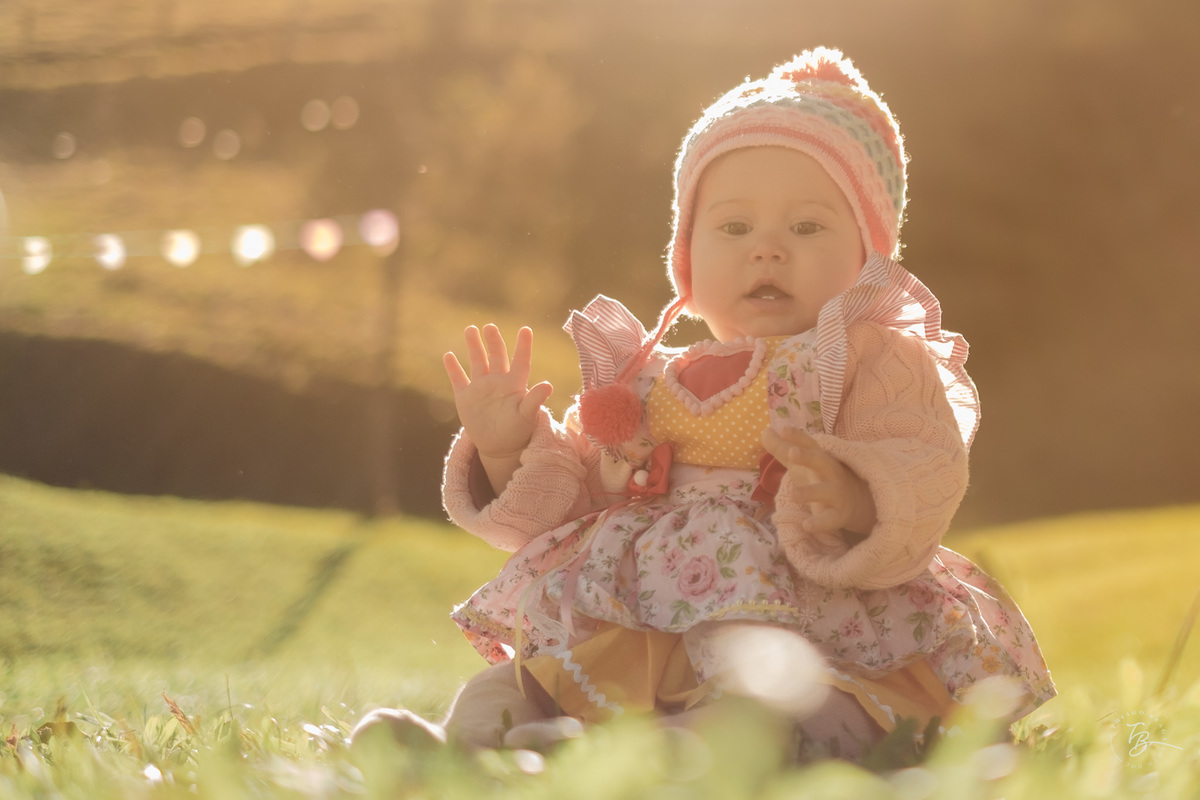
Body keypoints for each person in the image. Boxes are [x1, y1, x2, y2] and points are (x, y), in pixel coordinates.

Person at [355, 47, 1055, 761]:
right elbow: (567, 506)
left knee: (769, 704)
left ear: (867, 260)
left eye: (807, 228)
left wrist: (850, 498)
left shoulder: (867, 361)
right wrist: (507, 450)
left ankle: (671, 755)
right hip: (646, 631)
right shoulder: (644, 382)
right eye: (734, 228)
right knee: (519, 683)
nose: (767, 252)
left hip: (807, 624)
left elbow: (924, 460)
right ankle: (466, 748)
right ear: (686, 254)